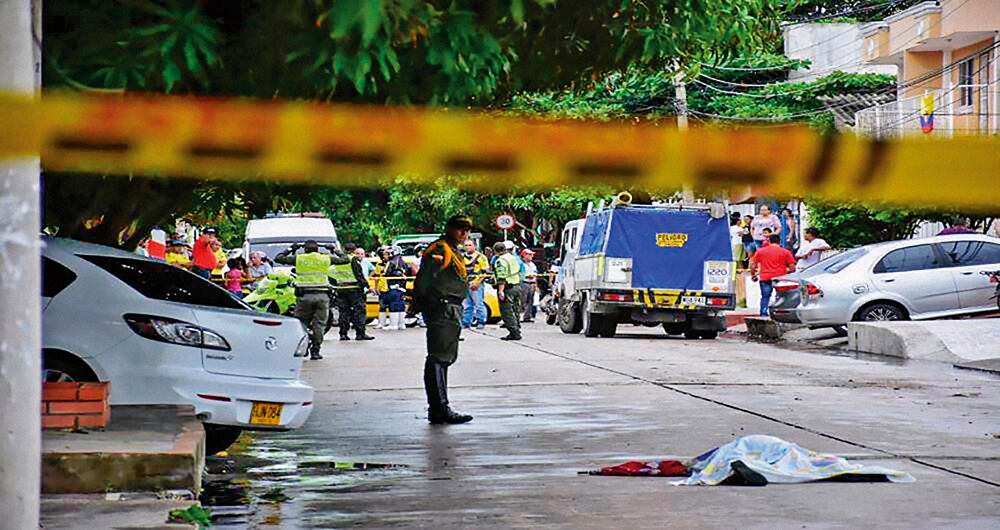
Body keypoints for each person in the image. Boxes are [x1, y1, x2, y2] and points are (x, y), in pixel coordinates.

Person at [412, 214, 475, 424]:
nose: (463, 233)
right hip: (442, 306)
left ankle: (440, 407)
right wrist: (422, 303)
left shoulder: (453, 249)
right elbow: (424, 279)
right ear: (449, 228)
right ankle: (439, 408)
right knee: (438, 358)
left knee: (445, 357)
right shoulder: (439, 249)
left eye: (466, 230)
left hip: (452, 306)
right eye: (459, 229)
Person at [275, 240, 336, 360]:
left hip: (304, 296)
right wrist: (333, 249)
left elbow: (278, 258)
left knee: (301, 323)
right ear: (317, 249)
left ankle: (303, 347)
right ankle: (316, 350)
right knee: (320, 324)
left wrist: (291, 248)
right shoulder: (325, 258)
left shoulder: (299, 258)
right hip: (322, 296)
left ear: (305, 249)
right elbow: (345, 259)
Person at [331, 243, 375, 341]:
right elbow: (359, 275)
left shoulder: (338, 261)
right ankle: (360, 334)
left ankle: (343, 334)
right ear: (354, 251)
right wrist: (367, 286)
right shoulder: (353, 260)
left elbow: (330, 274)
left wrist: (336, 286)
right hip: (355, 290)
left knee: (344, 312)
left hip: (341, 290)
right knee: (359, 311)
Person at [750, 234, 796, 317]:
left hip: (765, 277)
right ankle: (780, 312)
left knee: (765, 296)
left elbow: (753, 265)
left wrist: (753, 275)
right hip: (780, 278)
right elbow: (792, 267)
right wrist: (789, 273)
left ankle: (763, 313)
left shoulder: (760, 251)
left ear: (769, 241)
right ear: (779, 241)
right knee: (781, 296)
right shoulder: (785, 252)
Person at [493, 241, 523, 341]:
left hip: (508, 288)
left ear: (496, 251)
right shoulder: (513, 258)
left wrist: (500, 291)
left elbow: (502, 277)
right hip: (517, 286)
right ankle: (517, 328)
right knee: (516, 309)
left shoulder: (501, 260)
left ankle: (514, 332)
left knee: (507, 311)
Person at [461, 239, 490, 329]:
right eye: (466, 245)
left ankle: (481, 321)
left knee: (479, 304)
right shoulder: (462, 257)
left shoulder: (481, 257)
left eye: (469, 245)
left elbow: (485, 272)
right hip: (466, 283)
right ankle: (466, 322)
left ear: (474, 246)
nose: (467, 247)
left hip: (476, 283)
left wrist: (478, 282)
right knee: (467, 305)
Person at [380, 245, 409, 330]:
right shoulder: (403, 262)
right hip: (402, 287)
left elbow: (385, 273)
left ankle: (393, 325)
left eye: (390, 253)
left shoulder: (391, 262)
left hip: (393, 287)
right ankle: (401, 324)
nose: (388, 254)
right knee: (400, 305)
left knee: (393, 305)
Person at [519, 248, 538, 322]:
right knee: (522, 300)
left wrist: (536, 284)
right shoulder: (520, 264)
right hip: (524, 283)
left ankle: (527, 316)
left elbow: (536, 274)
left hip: (532, 283)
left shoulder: (532, 264)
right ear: (524, 255)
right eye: (529, 254)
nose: (531, 256)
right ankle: (520, 316)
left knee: (530, 301)